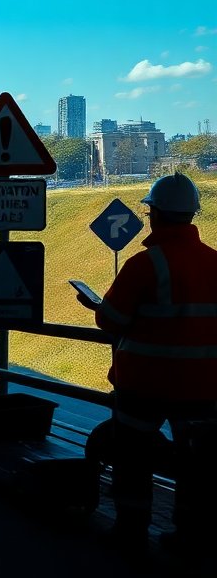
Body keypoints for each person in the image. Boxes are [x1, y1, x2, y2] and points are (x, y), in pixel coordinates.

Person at [78, 173, 217, 554]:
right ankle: (190, 538)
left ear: (154, 214)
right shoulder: (214, 263)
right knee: (197, 467)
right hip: (206, 389)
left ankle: (132, 531)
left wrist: (98, 307)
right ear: (191, 215)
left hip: (144, 386)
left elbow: (111, 320)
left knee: (133, 459)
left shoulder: (145, 264)